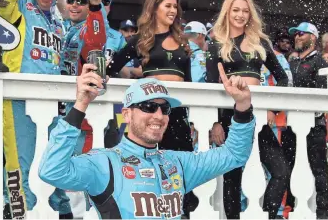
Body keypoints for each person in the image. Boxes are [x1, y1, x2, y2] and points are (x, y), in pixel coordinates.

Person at [39, 62, 256, 219]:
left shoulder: (177, 163)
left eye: (165, 108)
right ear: (127, 114)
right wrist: (80, 105)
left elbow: (234, 155)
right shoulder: (105, 163)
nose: (158, 116)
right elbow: (51, 170)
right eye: (148, 107)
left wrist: (243, 106)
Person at [105, 0, 197, 215]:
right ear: (154, 8)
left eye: (175, 7)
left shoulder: (183, 41)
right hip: (151, 113)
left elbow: (191, 83)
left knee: (180, 170)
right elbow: (113, 67)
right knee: (153, 169)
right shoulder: (141, 39)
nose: (173, 11)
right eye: (168, 6)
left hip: (177, 113)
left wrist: (193, 118)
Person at [0, 0, 70, 218]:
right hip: (19, 101)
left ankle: (61, 212)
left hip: (51, 105)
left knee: (55, 164)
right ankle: (16, 212)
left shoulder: (58, 23)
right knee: (20, 165)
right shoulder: (19, 7)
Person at [205, 0, 288, 219]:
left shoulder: (259, 42)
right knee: (232, 176)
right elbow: (211, 85)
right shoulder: (216, 44)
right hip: (229, 118)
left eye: (245, 10)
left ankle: (267, 215)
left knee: (280, 171)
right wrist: (215, 122)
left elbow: (282, 77)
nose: (241, 15)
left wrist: (273, 108)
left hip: (258, 116)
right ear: (227, 12)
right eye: (236, 10)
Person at [288, 22, 328, 219]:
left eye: (302, 34)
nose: (297, 37)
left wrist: (312, 117)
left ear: (313, 38)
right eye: (295, 34)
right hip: (291, 125)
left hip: (314, 126)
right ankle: (289, 210)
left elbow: (323, 94)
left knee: (319, 170)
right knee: (289, 167)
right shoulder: (292, 62)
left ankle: (323, 213)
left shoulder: (320, 61)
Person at [259, 50, 296, 219]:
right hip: (241, 117)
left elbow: (285, 81)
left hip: (273, 122)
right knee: (239, 172)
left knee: (277, 172)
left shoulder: (277, 56)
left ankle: (275, 213)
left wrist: (272, 108)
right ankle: (243, 211)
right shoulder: (233, 49)